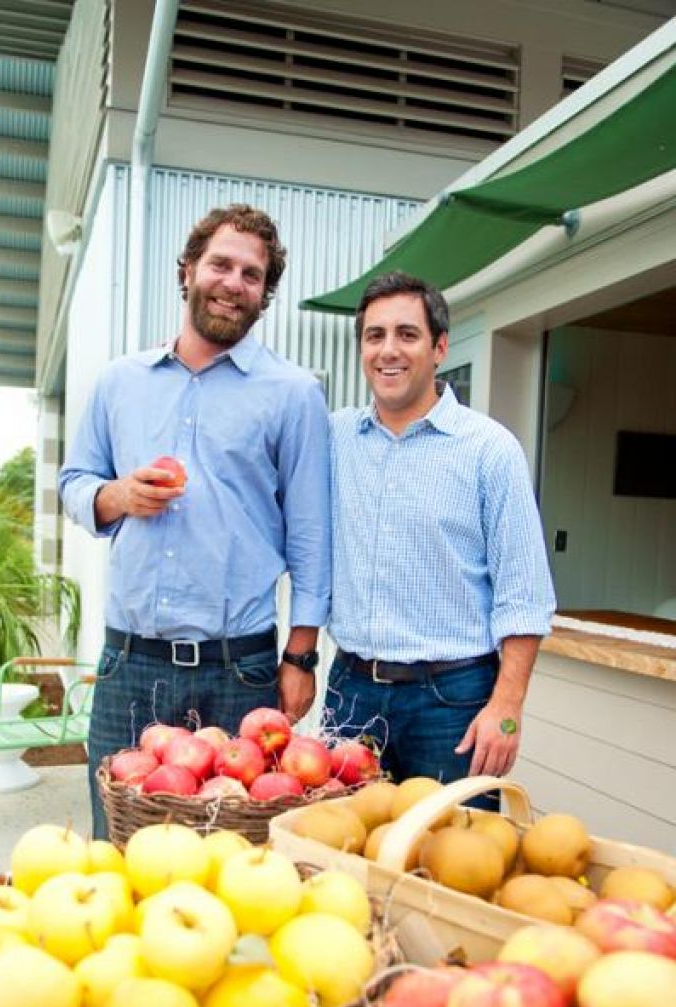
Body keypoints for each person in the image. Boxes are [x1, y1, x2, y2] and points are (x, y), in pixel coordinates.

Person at [60, 204, 331, 838]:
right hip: (132, 666)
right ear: (188, 271)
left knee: (239, 864)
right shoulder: (119, 383)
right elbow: (74, 485)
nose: (234, 282)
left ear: (264, 295)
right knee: (120, 853)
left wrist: (301, 657)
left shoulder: (293, 394)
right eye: (221, 264)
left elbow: (313, 539)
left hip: (243, 672)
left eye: (253, 274)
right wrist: (119, 496)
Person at [324, 272, 555, 800]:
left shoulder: (489, 451)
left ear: (440, 347)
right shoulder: (335, 438)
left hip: (452, 702)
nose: (389, 350)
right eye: (374, 335)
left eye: (407, 334)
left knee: (453, 858)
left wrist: (507, 710)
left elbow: (525, 597)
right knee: (341, 858)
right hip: (351, 693)